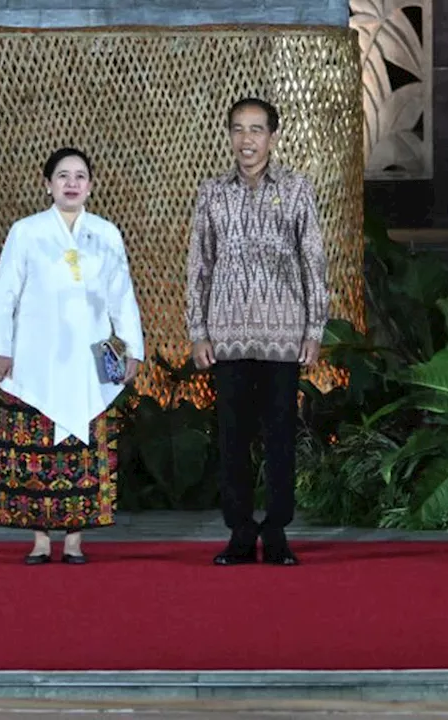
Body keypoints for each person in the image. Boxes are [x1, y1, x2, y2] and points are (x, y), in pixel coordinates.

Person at [0, 147, 145, 565]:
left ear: (91, 184)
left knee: (84, 445)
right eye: (62, 176)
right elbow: (5, 293)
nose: (71, 183)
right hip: (35, 355)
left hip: (91, 355)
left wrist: (131, 349)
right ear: (48, 184)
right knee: (36, 444)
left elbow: (121, 297)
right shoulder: (26, 232)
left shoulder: (106, 233)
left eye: (80, 176)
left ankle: (74, 540)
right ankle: (39, 539)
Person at [185, 98, 329, 567]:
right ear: (228, 135)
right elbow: (199, 266)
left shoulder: (297, 188)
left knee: (281, 438)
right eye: (238, 130)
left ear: (273, 136)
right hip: (226, 337)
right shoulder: (212, 192)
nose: (246, 140)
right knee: (232, 438)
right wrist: (198, 331)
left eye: (256, 130)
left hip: (284, 336)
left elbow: (314, 262)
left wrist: (314, 328)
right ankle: (241, 534)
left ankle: (279, 532)